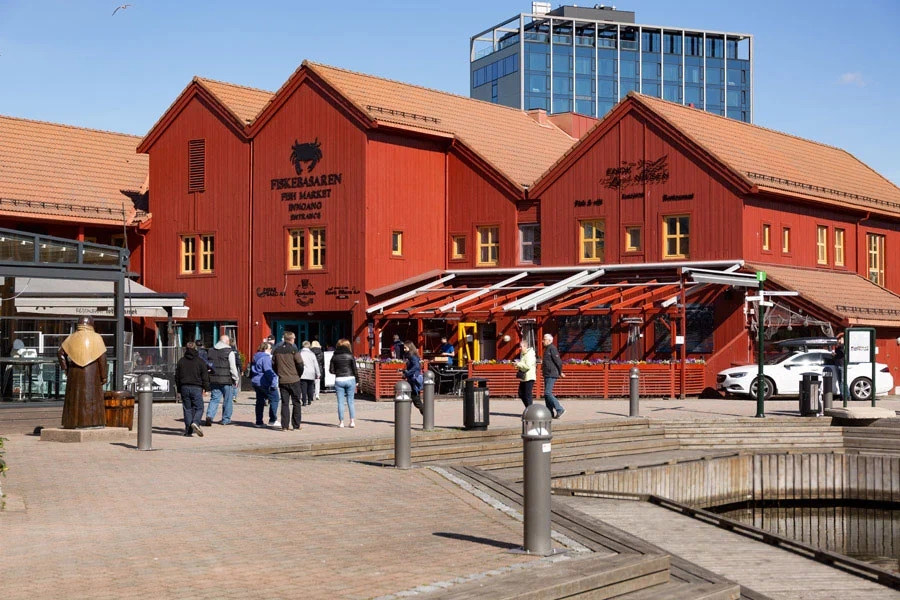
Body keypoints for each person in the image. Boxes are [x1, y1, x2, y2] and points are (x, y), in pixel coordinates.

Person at [57, 316, 107, 429]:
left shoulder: (71, 337)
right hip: (93, 373)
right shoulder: (97, 338)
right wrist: (104, 376)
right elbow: (102, 359)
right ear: (91, 324)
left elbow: (60, 353)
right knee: (92, 399)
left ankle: (71, 422)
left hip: (74, 373)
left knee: (74, 397)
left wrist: (66, 369)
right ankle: (94, 422)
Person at [174, 341, 209, 437]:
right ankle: (196, 422)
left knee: (187, 409)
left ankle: (188, 430)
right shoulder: (200, 361)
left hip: (184, 386)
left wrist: (179, 389)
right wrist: (206, 388)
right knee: (199, 407)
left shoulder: (181, 361)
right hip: (196, 387)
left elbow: (177, 376)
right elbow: (204, 375)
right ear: (195, 348)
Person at [205, 335, 239, 426]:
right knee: (227, 400)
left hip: (214, 379)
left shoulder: (211, 351)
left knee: (214, 399)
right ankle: (226, 419)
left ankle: (209, 416)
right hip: (226, 380)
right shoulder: (229, 352)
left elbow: (208, 364)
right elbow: (233, 367)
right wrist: (236, 378)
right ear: (227, 342)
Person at [272, 332, 304, 430]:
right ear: (292, 339)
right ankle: (296, 424)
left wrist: (279, 373)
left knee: (285, 403)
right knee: (296, 402)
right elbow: (300, 364)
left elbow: (273, 364)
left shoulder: (276, 350)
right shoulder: (294, 349)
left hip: (283, 380)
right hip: (294, 379)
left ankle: (284, 426)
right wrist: (299, 374)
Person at [329, 338, 359, 428]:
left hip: (339, 379)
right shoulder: (350, 355)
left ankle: (341, 422)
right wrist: (357, 380)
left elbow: (331, 370)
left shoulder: (334, 356)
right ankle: (352, 421)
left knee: (340, 402)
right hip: (350, 378)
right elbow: (355, 370)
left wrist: (338, 372)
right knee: (351, 401)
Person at [250, 342, 279, 428]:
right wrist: (274, 384)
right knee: (275, 399)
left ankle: (259, 421)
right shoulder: (265, 358)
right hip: (264, 382)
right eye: (270, 349)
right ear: (266, 349)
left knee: (260, 401)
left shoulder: (256, 356)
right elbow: (268, 371)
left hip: (256, 381)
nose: (271, 350)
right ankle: (272, 420)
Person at [541, 333, 566, 419]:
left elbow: (558, 361)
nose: (542, 341)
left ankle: (559, 409)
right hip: (547, 373)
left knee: (547, 393)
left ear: (549, 341)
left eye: (544, 340)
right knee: (546, 394)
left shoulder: (552, 348)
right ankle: (549, 412)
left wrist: (560, 372)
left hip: (552, 373)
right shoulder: (547, 349)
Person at [402, 342, 424, 413]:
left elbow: (416, 367)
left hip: (413, 380)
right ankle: (405, 419)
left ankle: (427, 415)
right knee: (408, 399)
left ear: (410, 347)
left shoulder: (412, 356)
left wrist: (407, 373)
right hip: (411, 379)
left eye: (405, 348)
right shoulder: (410, 356)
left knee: (416, 401)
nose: (404, 349)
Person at [515, 338, 537, 408]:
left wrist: (518, 364)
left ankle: (531, 411)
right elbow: (523, 364)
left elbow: (528, 366)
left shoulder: (529, 354)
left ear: (525, 346)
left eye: (521, 346)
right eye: (520, 346)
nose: (520, 348)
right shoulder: (523, 354)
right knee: (521, 393)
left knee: (528, 395)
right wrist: (517, 365)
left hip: (529, 377)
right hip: (524, 377)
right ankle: (528, 409)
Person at [299, 341, 321, 408]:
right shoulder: (312, 354)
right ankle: (309, 400)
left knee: (303, 387)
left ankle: (304, 401)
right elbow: (316, 364)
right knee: (310, 387)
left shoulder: (300, 353)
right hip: (311, 372)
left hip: (303, 372)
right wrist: (318, 373)